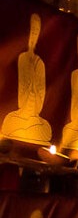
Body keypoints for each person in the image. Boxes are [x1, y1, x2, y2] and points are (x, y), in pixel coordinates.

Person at [2, 13, 52, 146]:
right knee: (9, 121)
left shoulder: (40, 63)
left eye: (37, 32)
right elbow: (22, 85)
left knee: (45, 129)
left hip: (34, 112)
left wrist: (34, 99)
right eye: (32, 31)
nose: (34, 35)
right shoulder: (22, 58)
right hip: (22, 110)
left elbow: (41, 91)